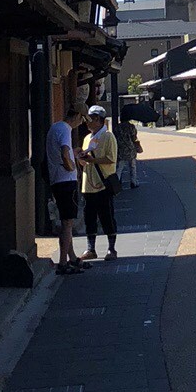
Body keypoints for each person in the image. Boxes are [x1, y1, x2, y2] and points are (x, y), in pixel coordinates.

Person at [45, 109, 84, 274]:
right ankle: (63, 263)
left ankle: (73, 258)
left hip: (57, 179)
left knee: (66, 221)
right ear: (76, 116)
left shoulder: (56, 127)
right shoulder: (65, 130)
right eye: (82, 119)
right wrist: (71, 166)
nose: (81, 123)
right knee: (67, 223)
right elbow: (64, 152)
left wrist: (73, 154)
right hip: (65, 180)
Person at [80, 105, 120, 261]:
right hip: (88, 183)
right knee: (89, 216)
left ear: (97, 119)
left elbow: (111, 159)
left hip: (104, 183)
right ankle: (91, 248)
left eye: (89, 119)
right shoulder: (87, 138)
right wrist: (81, 159)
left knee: (107, 216)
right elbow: (85, 162)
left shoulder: (108, 136)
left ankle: (111, 248)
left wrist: (92, 159)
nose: (87, 123)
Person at [117, 113, 141, 190]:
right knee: (132, 166)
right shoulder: (131, 127)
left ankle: (116, 184)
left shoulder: (118, 127)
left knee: (119, 167)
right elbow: (134, 137)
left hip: (121, 148)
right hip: (130, 148)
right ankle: (133, 182)